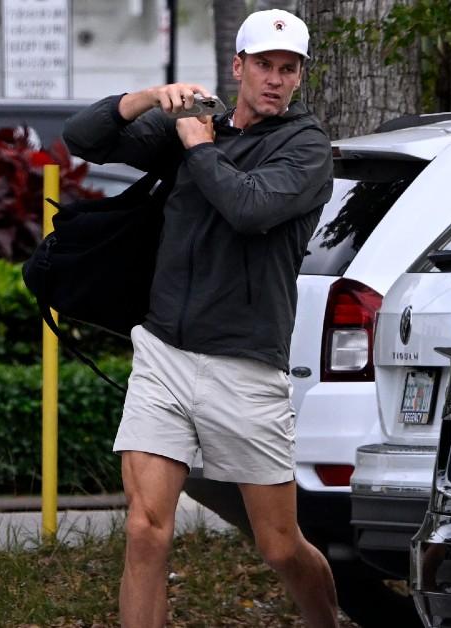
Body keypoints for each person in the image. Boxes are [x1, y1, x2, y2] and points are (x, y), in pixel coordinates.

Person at [62, 8, 338, 628]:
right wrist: (144, 100)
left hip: (244, 364)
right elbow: (83, 138)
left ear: (299, 78)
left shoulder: (306, 146)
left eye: (287, 69)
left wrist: (198, 145)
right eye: (263, 65)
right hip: (163, 351)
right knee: (144, 528)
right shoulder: (198, 124)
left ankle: (327, 619)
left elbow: (249, 208)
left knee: (278, 546)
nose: (274, 79)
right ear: (237, 66)